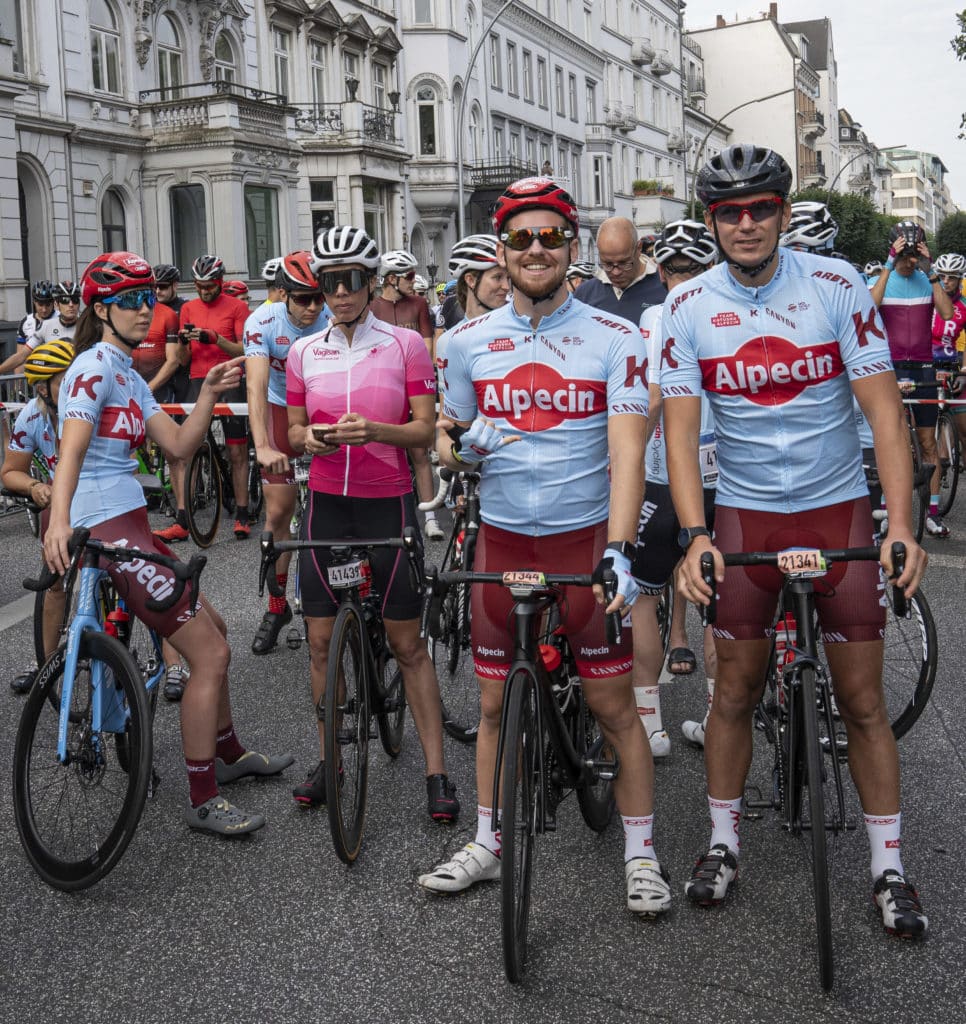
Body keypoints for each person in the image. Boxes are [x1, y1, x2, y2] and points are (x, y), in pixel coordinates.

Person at [662, 143, 929, 939]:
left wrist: (902, 526)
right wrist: (694, 536)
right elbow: (679, 438)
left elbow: (886, 416)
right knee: (734, 691)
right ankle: (721, 843)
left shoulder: (838, 285)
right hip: (746, 512)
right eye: (730, 213)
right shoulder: (688, 307)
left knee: (864, 700)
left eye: (761, 209)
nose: (746, 224)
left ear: (782, 213)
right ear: (712, 223)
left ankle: (891, 867)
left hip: (837, 508)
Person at [418, 177, 668, 919]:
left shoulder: (615, 339)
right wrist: (457, 452)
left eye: (550, 237)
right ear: (502, 251)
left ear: (571, 247)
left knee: (615, 707)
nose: (535, 249)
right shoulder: (463, 343)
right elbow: (446, 439)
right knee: (493, 705)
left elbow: (630, 452)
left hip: (584, 536)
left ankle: (640, 852)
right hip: (501, 541)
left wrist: (619, 548)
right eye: (521, 239)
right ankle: (489, 842)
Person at [44, 251, 293, 835]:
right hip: (104, 528)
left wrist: (206, 393)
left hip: (131, 525)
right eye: (128, 301)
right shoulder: (93, 368)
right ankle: (204, 797)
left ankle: (227, 756)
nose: (144, 310)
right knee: (209, 654)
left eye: (147, 299)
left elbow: (180, 447)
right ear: (99, 310)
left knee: (219, 632)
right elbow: (71, 454)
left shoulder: (129, 374)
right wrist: (59, 524)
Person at [285, 225, 459, 823]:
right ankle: (329, 761)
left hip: (388, 502)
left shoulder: (406, 345)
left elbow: (423, 431)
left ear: (371, 282)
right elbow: (292, 430)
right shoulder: (303, 351)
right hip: (330, 504)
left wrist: (376, 432)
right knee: (319, 641)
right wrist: (309, 439)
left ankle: (437, 772)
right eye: (329, 282)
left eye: (352, 281)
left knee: (408, 645)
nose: (340, 293)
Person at [629, 220, 720, 757]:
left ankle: (649, 726)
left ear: (662, 272)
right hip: (725, 480)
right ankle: (715, 718)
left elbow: (654, 396)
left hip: (663, 475)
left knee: (641, 596)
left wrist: (625, 462)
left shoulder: (654, 316)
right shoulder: (732, 312)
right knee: (719, 602)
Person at [245, 251, 329, 655]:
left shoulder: (334, 316)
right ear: (283, 294)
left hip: (324, 407)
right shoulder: (261, 322)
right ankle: (277, 607)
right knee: (278, 513)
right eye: (302, 299)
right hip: (280, 409)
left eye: (319, 297)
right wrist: (262, 445)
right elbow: (256, 388)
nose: (313, 307)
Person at [153, 254, 251, 543]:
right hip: (198, 379)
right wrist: (183, 343)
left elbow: (244, 350)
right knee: (188, 448)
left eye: (209, 286)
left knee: (237, 451)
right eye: (199, 286)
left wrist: (214, 338)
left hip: (230, 377)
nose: (204, 291)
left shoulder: (238, 307)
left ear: (219, 282)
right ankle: (184, 519)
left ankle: (243, 514)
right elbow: (183, 359)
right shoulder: (188, 309)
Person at [870, 220, 955, 538]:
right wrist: (889, 265)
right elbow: (868, 308)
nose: (909, 259)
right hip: (890, 368)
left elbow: (946, 313)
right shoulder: (883, 277)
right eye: (904, 253)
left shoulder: (925, 279)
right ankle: (890, 510)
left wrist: (930, 270)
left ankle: (931, 512)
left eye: (912, 253)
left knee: (927, 444)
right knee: (894, 444)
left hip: (922, 368)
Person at [1, 341, 74, 694]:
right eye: (64, 381)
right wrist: (33, 487)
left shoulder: (89, 404)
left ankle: (170, 665)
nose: (75, 385)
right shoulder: (32, 414)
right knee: (55, 582)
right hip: (58, 502)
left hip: (101, 499)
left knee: (133, 579)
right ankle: (45, 661)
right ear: (43, 388)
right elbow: (10, 471)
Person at [371, 250, 443, 540]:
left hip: (411, 383)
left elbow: (426, 347)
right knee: (383, 449)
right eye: (409, 276)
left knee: (419, 452)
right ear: (391, 279)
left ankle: (429, 516)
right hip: (384, 384)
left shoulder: (419, 304)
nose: (414, 281)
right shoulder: (373, 307)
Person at [576, 217, 666, 321]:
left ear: (638, 248)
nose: (616, 272)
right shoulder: (585, 294)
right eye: (607, 264)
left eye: (623, 263)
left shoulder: (665, 287)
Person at [0, 282, 79, 377]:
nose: (71, 305)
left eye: (75, 300)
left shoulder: (87, 326)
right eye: (65, 300)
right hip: (54, 384)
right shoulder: (46, 326)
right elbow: (21, 356)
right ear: (57, 304)